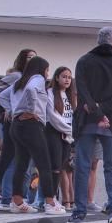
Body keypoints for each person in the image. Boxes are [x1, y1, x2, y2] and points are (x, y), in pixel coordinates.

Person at [69, 27, 112, 223]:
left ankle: (79, 214)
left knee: (82, 167)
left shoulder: (84, 61)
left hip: (87, 120)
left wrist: (96, 111)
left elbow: (82, 90)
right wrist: (105, 111)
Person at [3, 56, 66, 215]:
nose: (47, 73)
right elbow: (32, 91)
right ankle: (50, 202)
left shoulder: (19, 82)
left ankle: (16, 201)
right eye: (47, 70)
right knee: (44, 163)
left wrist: (13, 110)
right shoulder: (36, 79)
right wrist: (31, 110)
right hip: (32, 126)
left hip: (16, 126)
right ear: (41, 69)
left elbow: (1, 95)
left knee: (21, 163)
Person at [0, 49, 37, 211]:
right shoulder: (16, 76)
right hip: (11, 124)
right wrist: (8, 108)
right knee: (6, 160)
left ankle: (18, 199)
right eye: (29, 57)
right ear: (22, 60)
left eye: (34, 58)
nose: (31, 61)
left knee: (23, 164)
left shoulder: (34, 80)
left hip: (26, 125)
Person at [45, 67, 75, 207]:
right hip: (54, 133)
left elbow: (75, 116)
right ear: (57, 78)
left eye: (69, 77)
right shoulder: (50, 92)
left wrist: (72, 131)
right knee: (55, 166)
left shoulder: (71, 95)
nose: (67, 79)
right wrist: (70, 130)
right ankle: (49, 199)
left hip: (68, 136)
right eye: (64, 76)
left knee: (62, 165)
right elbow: (53, 116)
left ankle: (53, 199)